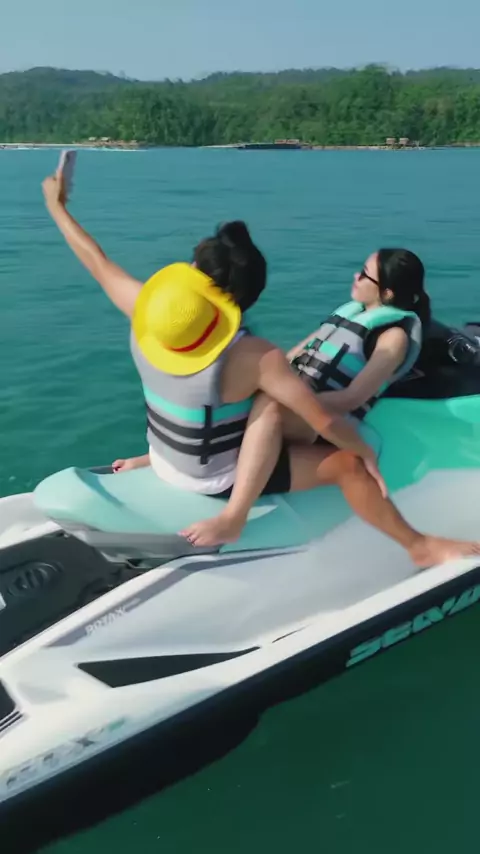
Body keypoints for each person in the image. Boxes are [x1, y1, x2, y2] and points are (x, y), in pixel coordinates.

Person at [41, 168, 479, 570]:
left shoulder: (145, 311)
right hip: (211, 476)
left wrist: (57, 207)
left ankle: (153, 460)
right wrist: (364, 453)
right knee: (337, 457)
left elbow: (97, 261)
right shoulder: (253, 357)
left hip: (166, 455)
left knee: (256, 399)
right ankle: (413, 545)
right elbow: (322, 419)